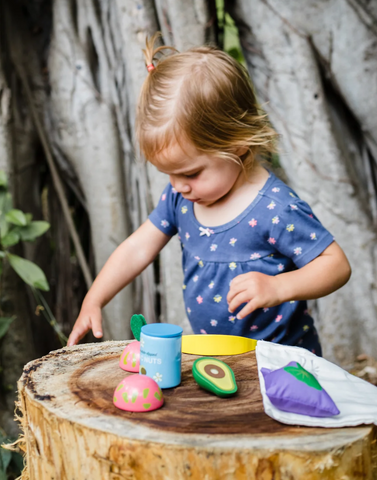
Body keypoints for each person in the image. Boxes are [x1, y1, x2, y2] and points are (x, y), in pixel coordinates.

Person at [67, 34, 351, 354]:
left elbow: (336, 265)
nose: (178, 186)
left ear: (237, 143)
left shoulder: (275, 209)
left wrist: (278, 287)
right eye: (169, 174)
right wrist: (96, 297)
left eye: (190, 173)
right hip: (217, 355)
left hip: (284, 362)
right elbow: (137, 247)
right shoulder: (181, 199)